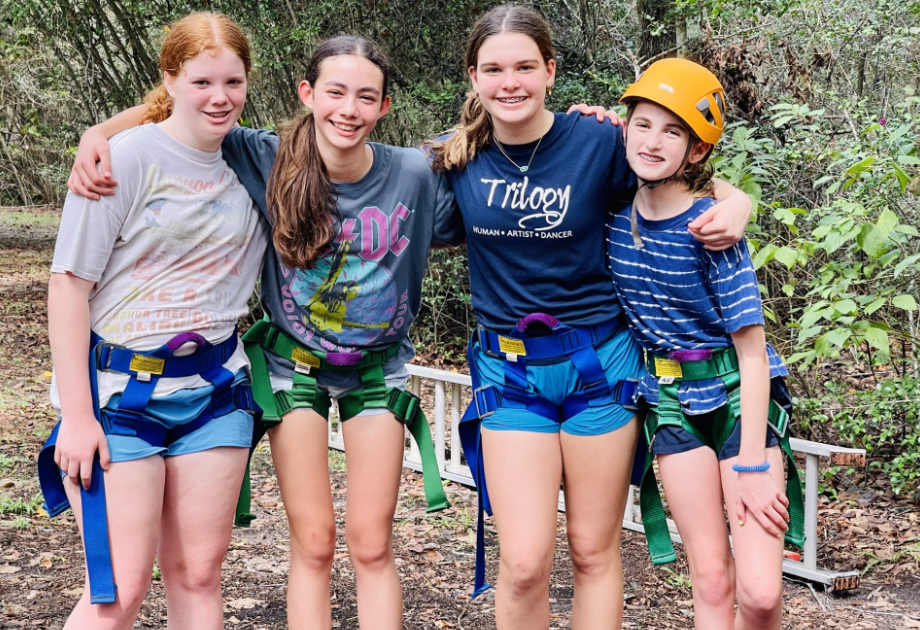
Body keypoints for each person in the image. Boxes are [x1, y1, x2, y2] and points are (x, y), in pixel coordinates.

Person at [65, 36, 463, 630]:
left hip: (378, 371)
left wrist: (589, 127)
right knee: (314, 540)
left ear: (384, 106)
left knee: (372, 541)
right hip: (292, 368)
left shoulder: (413, 173)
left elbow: (494, 150)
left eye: (366, 97)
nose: (348, 109)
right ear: (307, 94)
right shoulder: (268, 157)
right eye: (335, 92)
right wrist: (97, 133)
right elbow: (183, 104)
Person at [425, 5, 755, 630]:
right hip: (510, 373)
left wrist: (737, 200)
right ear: (473, 77)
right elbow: (358, 169)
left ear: (551, 71)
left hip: (600, 368)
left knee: (592, 551)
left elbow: (674, 172)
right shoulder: (454, 156)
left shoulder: (598, 140)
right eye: (493, 69)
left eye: (526, 67)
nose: (510, 82)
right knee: (524, 562)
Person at [37, 12, 268, 630]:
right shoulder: (126, 159)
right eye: (201, 82)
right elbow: (68, 287)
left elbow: (348, 141)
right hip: (121, 397)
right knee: (119, 589)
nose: (220, 98)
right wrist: (77, 418)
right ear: (169, 78)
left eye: (233, 82)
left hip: (215, 394)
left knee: (199, 577)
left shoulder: (255, 160)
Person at [607, 58, 803, 630]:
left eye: (673, 132)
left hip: (738, 400)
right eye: (643, 124)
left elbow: (752, 353)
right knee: (711, 580)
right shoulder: (612, 218)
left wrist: (752, 463)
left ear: (696, 151)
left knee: (761, 594)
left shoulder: (713, 229)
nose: (652, 141)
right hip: (672, 403)